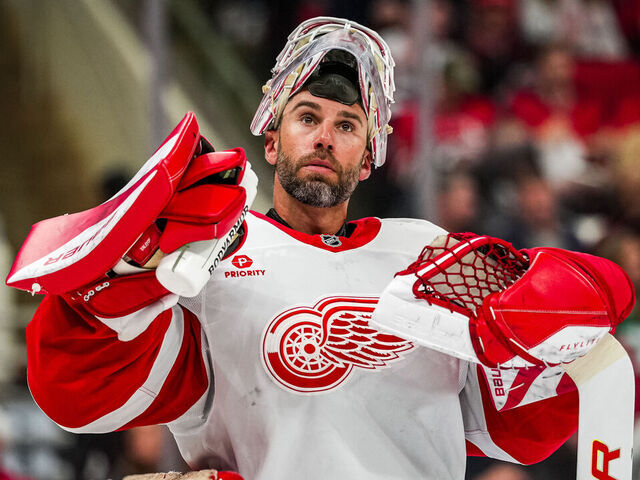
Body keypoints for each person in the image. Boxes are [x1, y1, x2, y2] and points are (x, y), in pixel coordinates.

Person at [5, 17, 635, 480]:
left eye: (347, 125)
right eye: (307, 118)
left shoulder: (431, 253)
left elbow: (513, 426)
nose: (325, 138)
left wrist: (567, 308)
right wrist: (128, 269)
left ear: (368, 158)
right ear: (273, 141)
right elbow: (78, 394)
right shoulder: (208, 261)